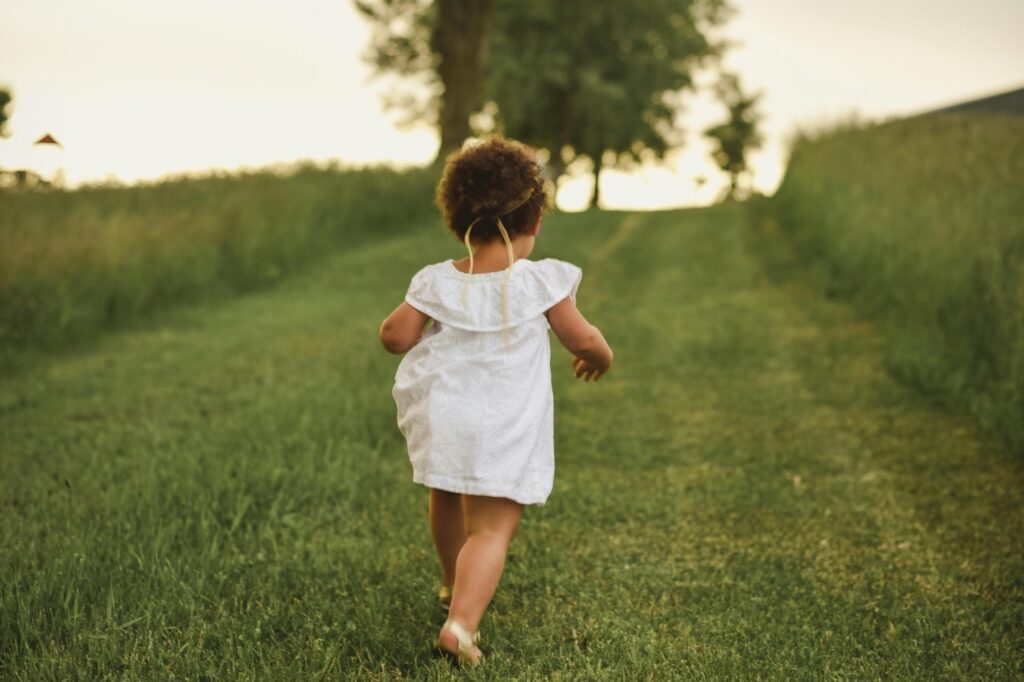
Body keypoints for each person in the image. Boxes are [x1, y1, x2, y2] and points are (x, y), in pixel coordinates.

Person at [379, 137, 614, 667]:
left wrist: (414, 323)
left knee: (445, 497)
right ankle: (461, 625)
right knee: (491, 528)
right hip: (502, 425)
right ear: (531, 222)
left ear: (460, 219)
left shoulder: (436, 281)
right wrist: (601, 358)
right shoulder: (540, 282)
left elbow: (395, 336)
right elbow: (583, 340)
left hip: (443, 418)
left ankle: (449, 581)